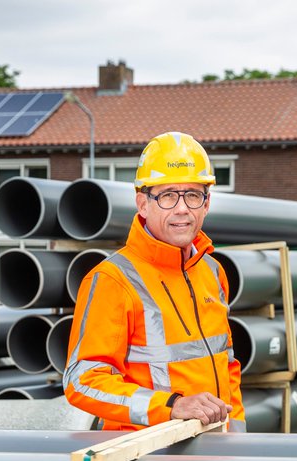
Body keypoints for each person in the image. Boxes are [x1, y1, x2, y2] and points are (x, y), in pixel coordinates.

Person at [63, 131, 246, 431]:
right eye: (168, 195)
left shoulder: (212, 271)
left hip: (212, 455)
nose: (182, 208)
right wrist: (171, 406)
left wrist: (237, 437)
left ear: (206, 204)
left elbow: (228, 367)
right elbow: (82, 382)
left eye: (193, 194)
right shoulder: (112, 280)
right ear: (143, 203)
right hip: (146, 460)